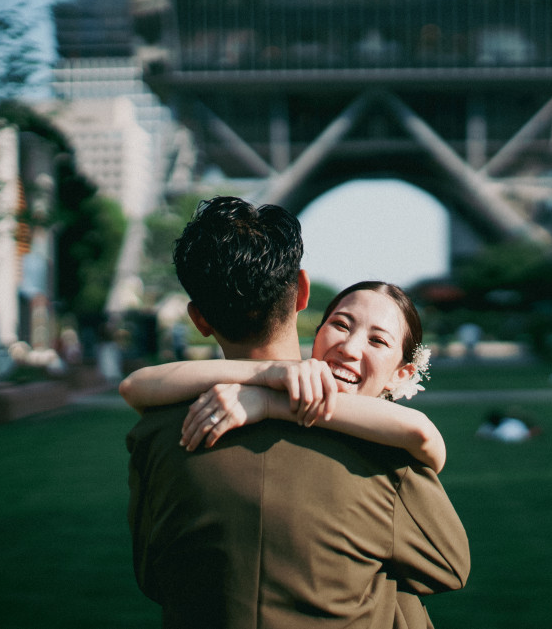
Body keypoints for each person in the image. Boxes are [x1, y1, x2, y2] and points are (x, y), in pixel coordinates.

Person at [124, 196, 469, 628]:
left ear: (199, 319)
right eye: (343, 324)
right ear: (303, 291)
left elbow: (153, 575)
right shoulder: (379, 447)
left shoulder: (157, 433)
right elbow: (448, 567)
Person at [121, 280, 446, 471]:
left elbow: (421, 431)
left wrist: (268, 402)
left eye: (377, 341)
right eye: (341, 325)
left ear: (402, 374)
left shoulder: (394, 446)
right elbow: (134, 386)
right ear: (317, 333)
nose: (349, 348)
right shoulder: (269, 389)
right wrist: (270, 372)